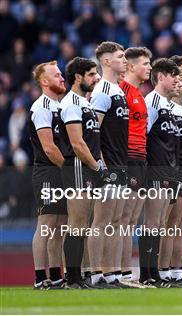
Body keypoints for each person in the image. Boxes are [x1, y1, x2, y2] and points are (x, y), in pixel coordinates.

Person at [59, 57, 107, 288]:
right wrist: (97, 167)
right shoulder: (71, 103)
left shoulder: (84, 102)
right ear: (77, 77)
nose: (96, 77)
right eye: (91, 74)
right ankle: (73, 278)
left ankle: (81, 276)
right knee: (77, 222)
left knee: (84, 223)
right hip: (79, 166)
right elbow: (77, 143)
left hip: (88, 166)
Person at [88, 41, 129, 288]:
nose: (124, 60)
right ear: (106, 61)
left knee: (115, 222)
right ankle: (95, 274)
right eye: (120, 56)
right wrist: (101, 166)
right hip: (108, 165)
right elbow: (94, 131)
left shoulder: (118, 90)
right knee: (101, 222)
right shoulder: (102, 90)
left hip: (121, 164)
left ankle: (112, 274)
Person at [28, 61, 68, 290]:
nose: (61, 78)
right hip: (47, 171)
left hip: (59, 171)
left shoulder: (60, 106)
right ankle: (39, 277)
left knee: (60, 225)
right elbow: (49, 148)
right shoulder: (41, 107)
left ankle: (56, 275)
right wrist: (70, 170)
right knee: (46, 223)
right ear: (44, 81)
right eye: (56, 75)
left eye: (61, 74)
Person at [140, 58, 179, 287]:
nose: (176, 80)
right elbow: (142, 134)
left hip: (168, 169)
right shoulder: (152, 102)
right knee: (152, 221)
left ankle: (153, 272)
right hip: (155, 169)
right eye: (172, 75)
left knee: (161, 222)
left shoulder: (168, 104)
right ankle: (148, 273)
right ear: (160, 76)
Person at [157, 59, 182, 287]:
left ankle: (176, 272)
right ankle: (163, 271)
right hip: (172, 169)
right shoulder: (165, 105)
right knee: (168, 224)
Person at [118, 46, 152, 287]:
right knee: (121, 219)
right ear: (130, 66)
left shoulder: (138, 93)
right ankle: (117, 273)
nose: (149, 67)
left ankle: (125, 273)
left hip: (140, 159)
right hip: (127, 159)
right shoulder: (122, 92)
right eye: (144, 63)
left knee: (131, 221)